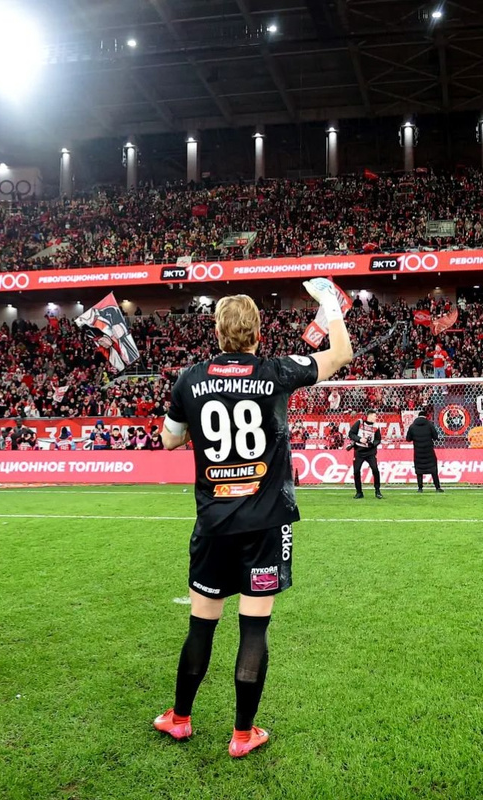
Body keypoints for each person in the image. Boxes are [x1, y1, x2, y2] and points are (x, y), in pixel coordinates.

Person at [153, 280, 353, 757]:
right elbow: (341, 354)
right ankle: (242, 734)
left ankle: (180, 718)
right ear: (258, 333)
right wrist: (329, 304)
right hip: (265, 524)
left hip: (214, 524)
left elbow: (169, 440)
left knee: (201, 625)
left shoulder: (189, 379)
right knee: (253, 628)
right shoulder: (276, 372)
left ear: (218, 332)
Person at [348, 410, 383, 499]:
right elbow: (351, 434)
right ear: (369, 416)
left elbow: (378, 439)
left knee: (375, 470)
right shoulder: (359, 422)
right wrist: (359, 439)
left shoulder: (376, 426)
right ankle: (359, 492)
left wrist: (372, 444)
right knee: (356, 471)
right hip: (359, 451)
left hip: (370, 452)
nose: (376, 418)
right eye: (374, 416)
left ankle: (377, 491)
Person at [407, 411, 444, 492]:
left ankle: (420, 488)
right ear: (426, 416)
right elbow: (435, 437)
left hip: (418, 452)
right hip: (429, 451)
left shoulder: (412, 426)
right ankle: (437, 487)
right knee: (433, 469)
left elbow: (408, 439)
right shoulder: (430, 425)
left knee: (419, 470)